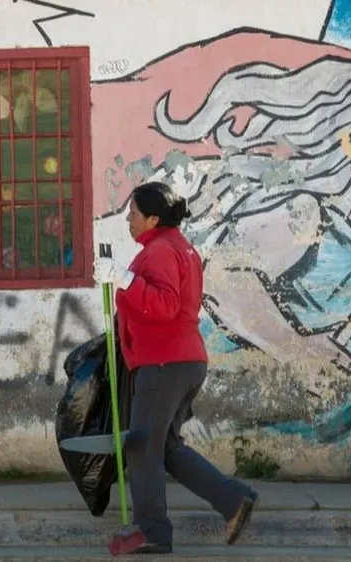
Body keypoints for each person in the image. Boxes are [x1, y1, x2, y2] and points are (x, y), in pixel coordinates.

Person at [93, 181, 260, 556]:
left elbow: (165, 305)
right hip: (184, 361)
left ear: (153, 218)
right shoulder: (180, 249)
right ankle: (233, 501)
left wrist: (123, 279)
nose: (128, 221)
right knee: (163, 447)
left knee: (140, 448)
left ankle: (152, 531)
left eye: (133, 214)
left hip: (163, 363)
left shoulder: (160, 251)